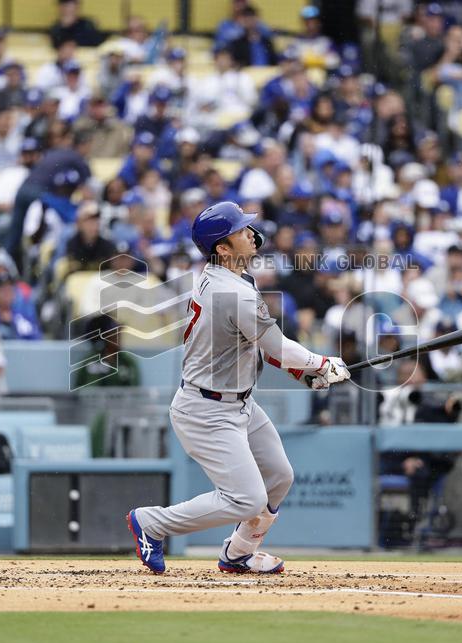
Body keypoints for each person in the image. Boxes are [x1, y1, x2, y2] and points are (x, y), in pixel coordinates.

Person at [127, 202, 351, 574]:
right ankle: (151, 523)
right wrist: (322, 364)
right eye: (240, 230)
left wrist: (303, 374)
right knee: (247, 499)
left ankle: (238, 553)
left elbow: (256, 347)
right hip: (207, 410)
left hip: (239, 402)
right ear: (222, 249)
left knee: (280, 475)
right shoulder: (234, 292)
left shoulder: (230, 279)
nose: (250, 233)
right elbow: (277, 346)